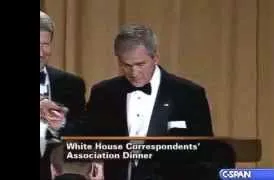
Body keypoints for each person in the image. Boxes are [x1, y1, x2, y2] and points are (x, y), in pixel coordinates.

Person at [86, 24, 216, 180]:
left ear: (155, 58)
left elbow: (205, 153)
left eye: (140, 64)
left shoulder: (189, 94)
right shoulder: (103, 93)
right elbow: (89, 139)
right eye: (126, 65)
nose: (134, 73)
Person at [40, 10, 87, 180]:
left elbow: (83, 132)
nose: (40, 53)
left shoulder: (71, 84)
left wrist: (61, 124)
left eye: (45, 44)